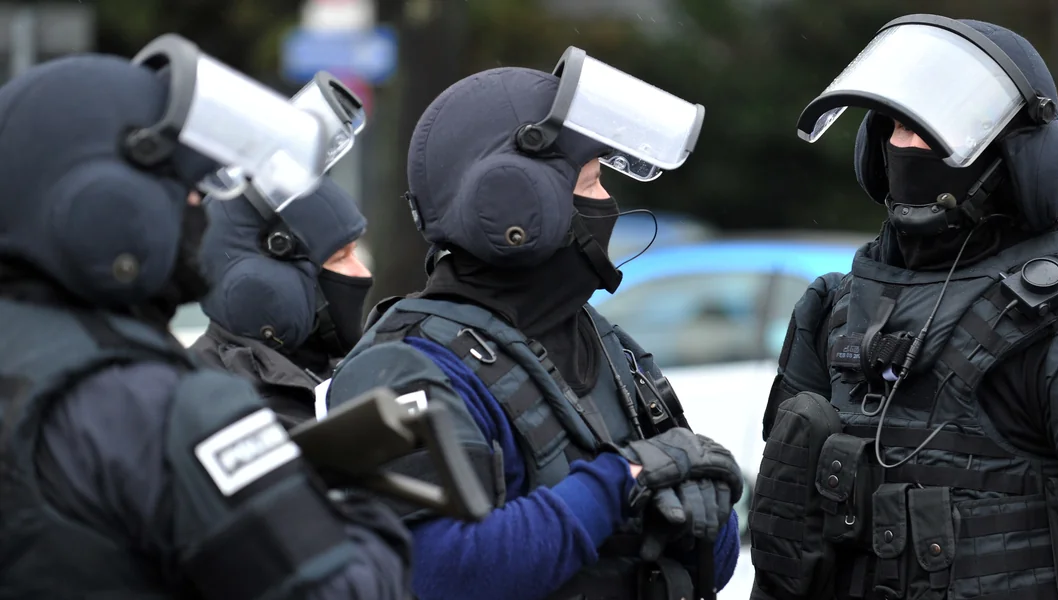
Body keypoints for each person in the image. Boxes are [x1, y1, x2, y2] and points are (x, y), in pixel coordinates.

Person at [750, 15, 1058, 600]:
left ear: (1024, 158)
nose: (905, 146)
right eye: (897, 125)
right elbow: (785, 545)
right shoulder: (833, 314)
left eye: (934, 128)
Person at [0, 35, 413, 598]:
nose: (199, 212)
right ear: (107, 206)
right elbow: (347, 589)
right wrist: (353, 497)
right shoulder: (167, 411)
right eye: (185, 193)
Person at [326, 48, 742, 600]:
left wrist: (706, 501)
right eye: (591, 182)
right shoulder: (398, 370)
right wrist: (620, 483)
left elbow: (711, 562)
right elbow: (440, 573)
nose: (607, 201)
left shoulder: (607, 345)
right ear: (517, 204)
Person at [191, 177, 373, 428]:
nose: (363, 272)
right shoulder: (208, 400)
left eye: (354, 252)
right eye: (340, 258)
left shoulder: (360, 367)